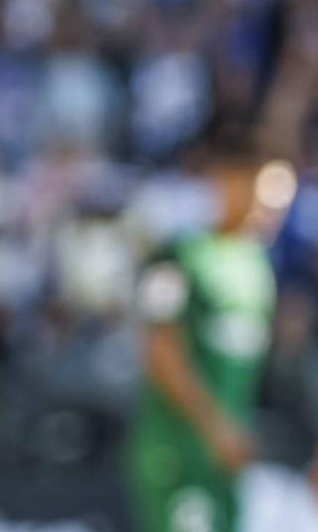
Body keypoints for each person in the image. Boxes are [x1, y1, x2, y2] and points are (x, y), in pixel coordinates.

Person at [126, 153, 293, 532]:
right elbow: (158, 348)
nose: (268, 211)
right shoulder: (177, 255)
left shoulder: (257, 267)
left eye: (280, 203)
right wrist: (215, 426)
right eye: (261, 194)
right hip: (177, 452)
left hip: (228, 458)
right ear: (227, 180)